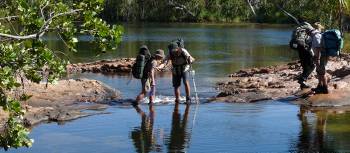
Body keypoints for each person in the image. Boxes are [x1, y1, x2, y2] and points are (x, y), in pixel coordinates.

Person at [308, 22, 328, 94]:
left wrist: (317, 58)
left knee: (321, 72)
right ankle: (320, 86)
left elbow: (318, 48)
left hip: (321, 57)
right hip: (320, 56)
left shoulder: (316, 36)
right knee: (319, 71)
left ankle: (325, 89)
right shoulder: (316, 35)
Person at [297, 23, 316, 89]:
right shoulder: (310, 35)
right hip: (306, 51)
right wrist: (313, 55)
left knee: (305, 67)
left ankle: (302, 85)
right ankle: (303, 79)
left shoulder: (299, 32)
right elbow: (310, 47)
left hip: (300, 50)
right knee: (312, 66)